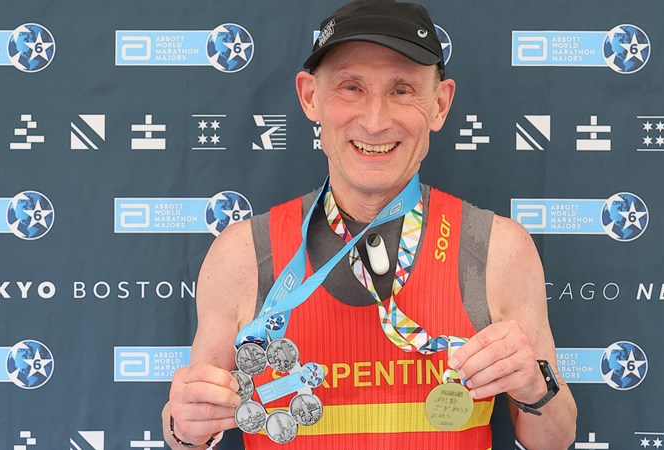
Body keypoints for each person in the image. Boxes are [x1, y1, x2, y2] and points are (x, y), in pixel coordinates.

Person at [162, 1, 577, 449]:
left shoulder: (498, 250)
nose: (375, 121)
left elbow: (555, 441)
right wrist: (184, 428)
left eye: (402, 89)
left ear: (439, 104)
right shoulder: (242, 255)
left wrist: (534, 387)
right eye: (351, 87)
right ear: (310, 97)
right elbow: (188, 430)